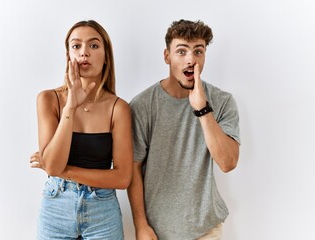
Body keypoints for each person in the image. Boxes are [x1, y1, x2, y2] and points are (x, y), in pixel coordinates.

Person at [127, 19, 241, 240]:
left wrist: (203, 110)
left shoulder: (222, 101)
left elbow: (228, 162)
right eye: (181, 51)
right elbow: (133, 168)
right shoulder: (142, 105)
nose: (191, 60)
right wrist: (140, 224)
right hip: (155, 231)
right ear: (167, 56)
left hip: (205, 228)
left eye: (198, 51)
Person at [29, 20, 133, 240]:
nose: (84, 52)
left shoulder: (118, 108)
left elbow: (123, 178)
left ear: (106, 57)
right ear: (68, 55)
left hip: (102, 210)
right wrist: (71, 107)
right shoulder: (49, 99)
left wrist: (64, 172)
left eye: (94, 46)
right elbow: (54, 164)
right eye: (76, 46)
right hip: (56, 207)